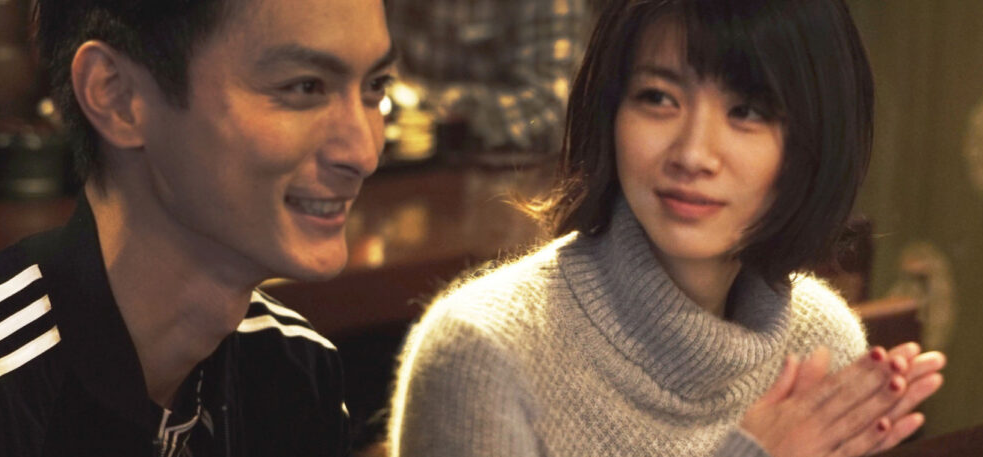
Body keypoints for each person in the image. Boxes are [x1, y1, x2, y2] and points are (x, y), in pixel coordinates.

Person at [387, 0, 946, 455]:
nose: (693, 154)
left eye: (747, 111)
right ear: (610, 112)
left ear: (815, 139)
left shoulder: (822, 342)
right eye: (658, 98)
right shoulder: (482, 353)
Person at [0, 0, 394, 455]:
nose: (364, 154)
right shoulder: (7, 391)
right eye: (305, 87)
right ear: (118, 96)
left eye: (375, 86)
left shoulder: (295, 370)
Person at [385, 0, 586, 162]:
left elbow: (547, 103)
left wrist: (437, 105)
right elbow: (382, 67)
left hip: (514, 169)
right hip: (409, 164)